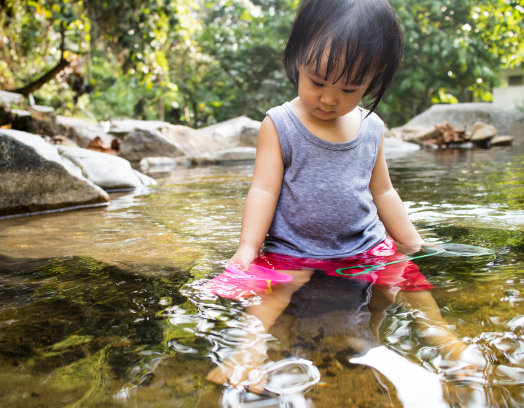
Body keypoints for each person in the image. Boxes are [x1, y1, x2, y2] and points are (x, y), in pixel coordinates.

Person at [207, 0, 484, 394]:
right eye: (317, 80)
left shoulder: (371, 128)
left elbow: (384, 190)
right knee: (271, 293)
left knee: (407, 280)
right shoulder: (280, 123)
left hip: (363, 246)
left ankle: (446, 341)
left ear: (374, 79)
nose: (328, 98)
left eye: (349, 88)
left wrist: (411, 241)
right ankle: (246, 352)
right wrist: (247, 249)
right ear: (297, 56)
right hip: (294, 247)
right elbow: (263, 189)